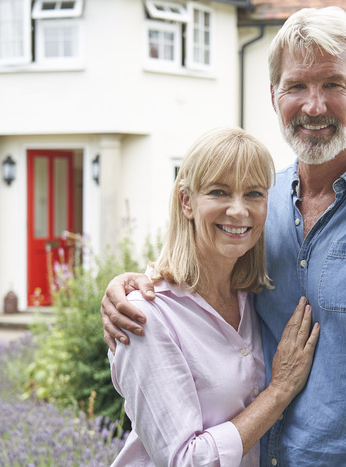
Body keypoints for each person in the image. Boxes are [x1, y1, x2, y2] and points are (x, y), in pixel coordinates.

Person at [102, 7, 346, 466]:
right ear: (274, 96)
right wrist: (128, 286)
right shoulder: (258, 205)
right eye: (296, 86)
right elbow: (198, 283)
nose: (314, 105)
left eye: (333, 84)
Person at [108, 127, 320, 466]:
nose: (238, 211)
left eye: (253, 194)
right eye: (219, 192)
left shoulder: (255, 298)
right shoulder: (146, 317)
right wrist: (279, 391)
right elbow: (186, 460)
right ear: (187, 202)